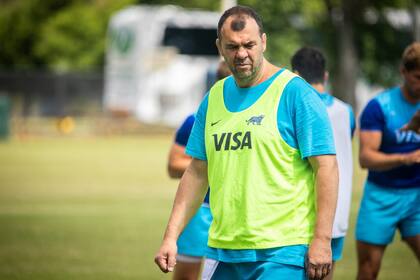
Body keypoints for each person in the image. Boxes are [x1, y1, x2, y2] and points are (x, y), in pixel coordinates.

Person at [155, 5, 339, 280]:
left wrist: (322, 239)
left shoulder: (295, 93)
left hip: (282, 252)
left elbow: (327, 167)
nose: (241, 54)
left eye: (249, 44)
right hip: (225, 251)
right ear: (219, 46)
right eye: (232, 46)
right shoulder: (214, 97)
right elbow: (196, 171)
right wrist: (171, 237)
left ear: (263, 41)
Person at [356, 42, 420, 280]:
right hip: (381, 196)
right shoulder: (379, 106)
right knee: (368, 270)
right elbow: (366, 158)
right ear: (403, 72)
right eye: (418, 77)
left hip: (416, 196)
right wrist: (405, 158)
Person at [291, 47, 356, 279]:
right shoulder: (346, 111)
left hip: (304, 211)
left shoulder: (296, 108)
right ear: (325, 76)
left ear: (295, 75)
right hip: (339, 211)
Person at [166, 61, 231, 280]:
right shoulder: (196, 120)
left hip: (238, 210)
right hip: (200, 209)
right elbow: (173, 165)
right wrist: (214, 163)